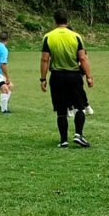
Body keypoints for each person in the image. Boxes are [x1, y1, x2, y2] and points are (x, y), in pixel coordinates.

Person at [40, 10, 94, 148]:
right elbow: (82, 58)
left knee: (61, 110)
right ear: (67, 20)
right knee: (80, 107)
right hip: (74, 76)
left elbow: (45, 59)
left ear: (55, 21)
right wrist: (88, 76)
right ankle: (78, 135)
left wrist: (43, 79)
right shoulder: (76, 36)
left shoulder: (48, 36)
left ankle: (63, 140)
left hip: (57, 76)